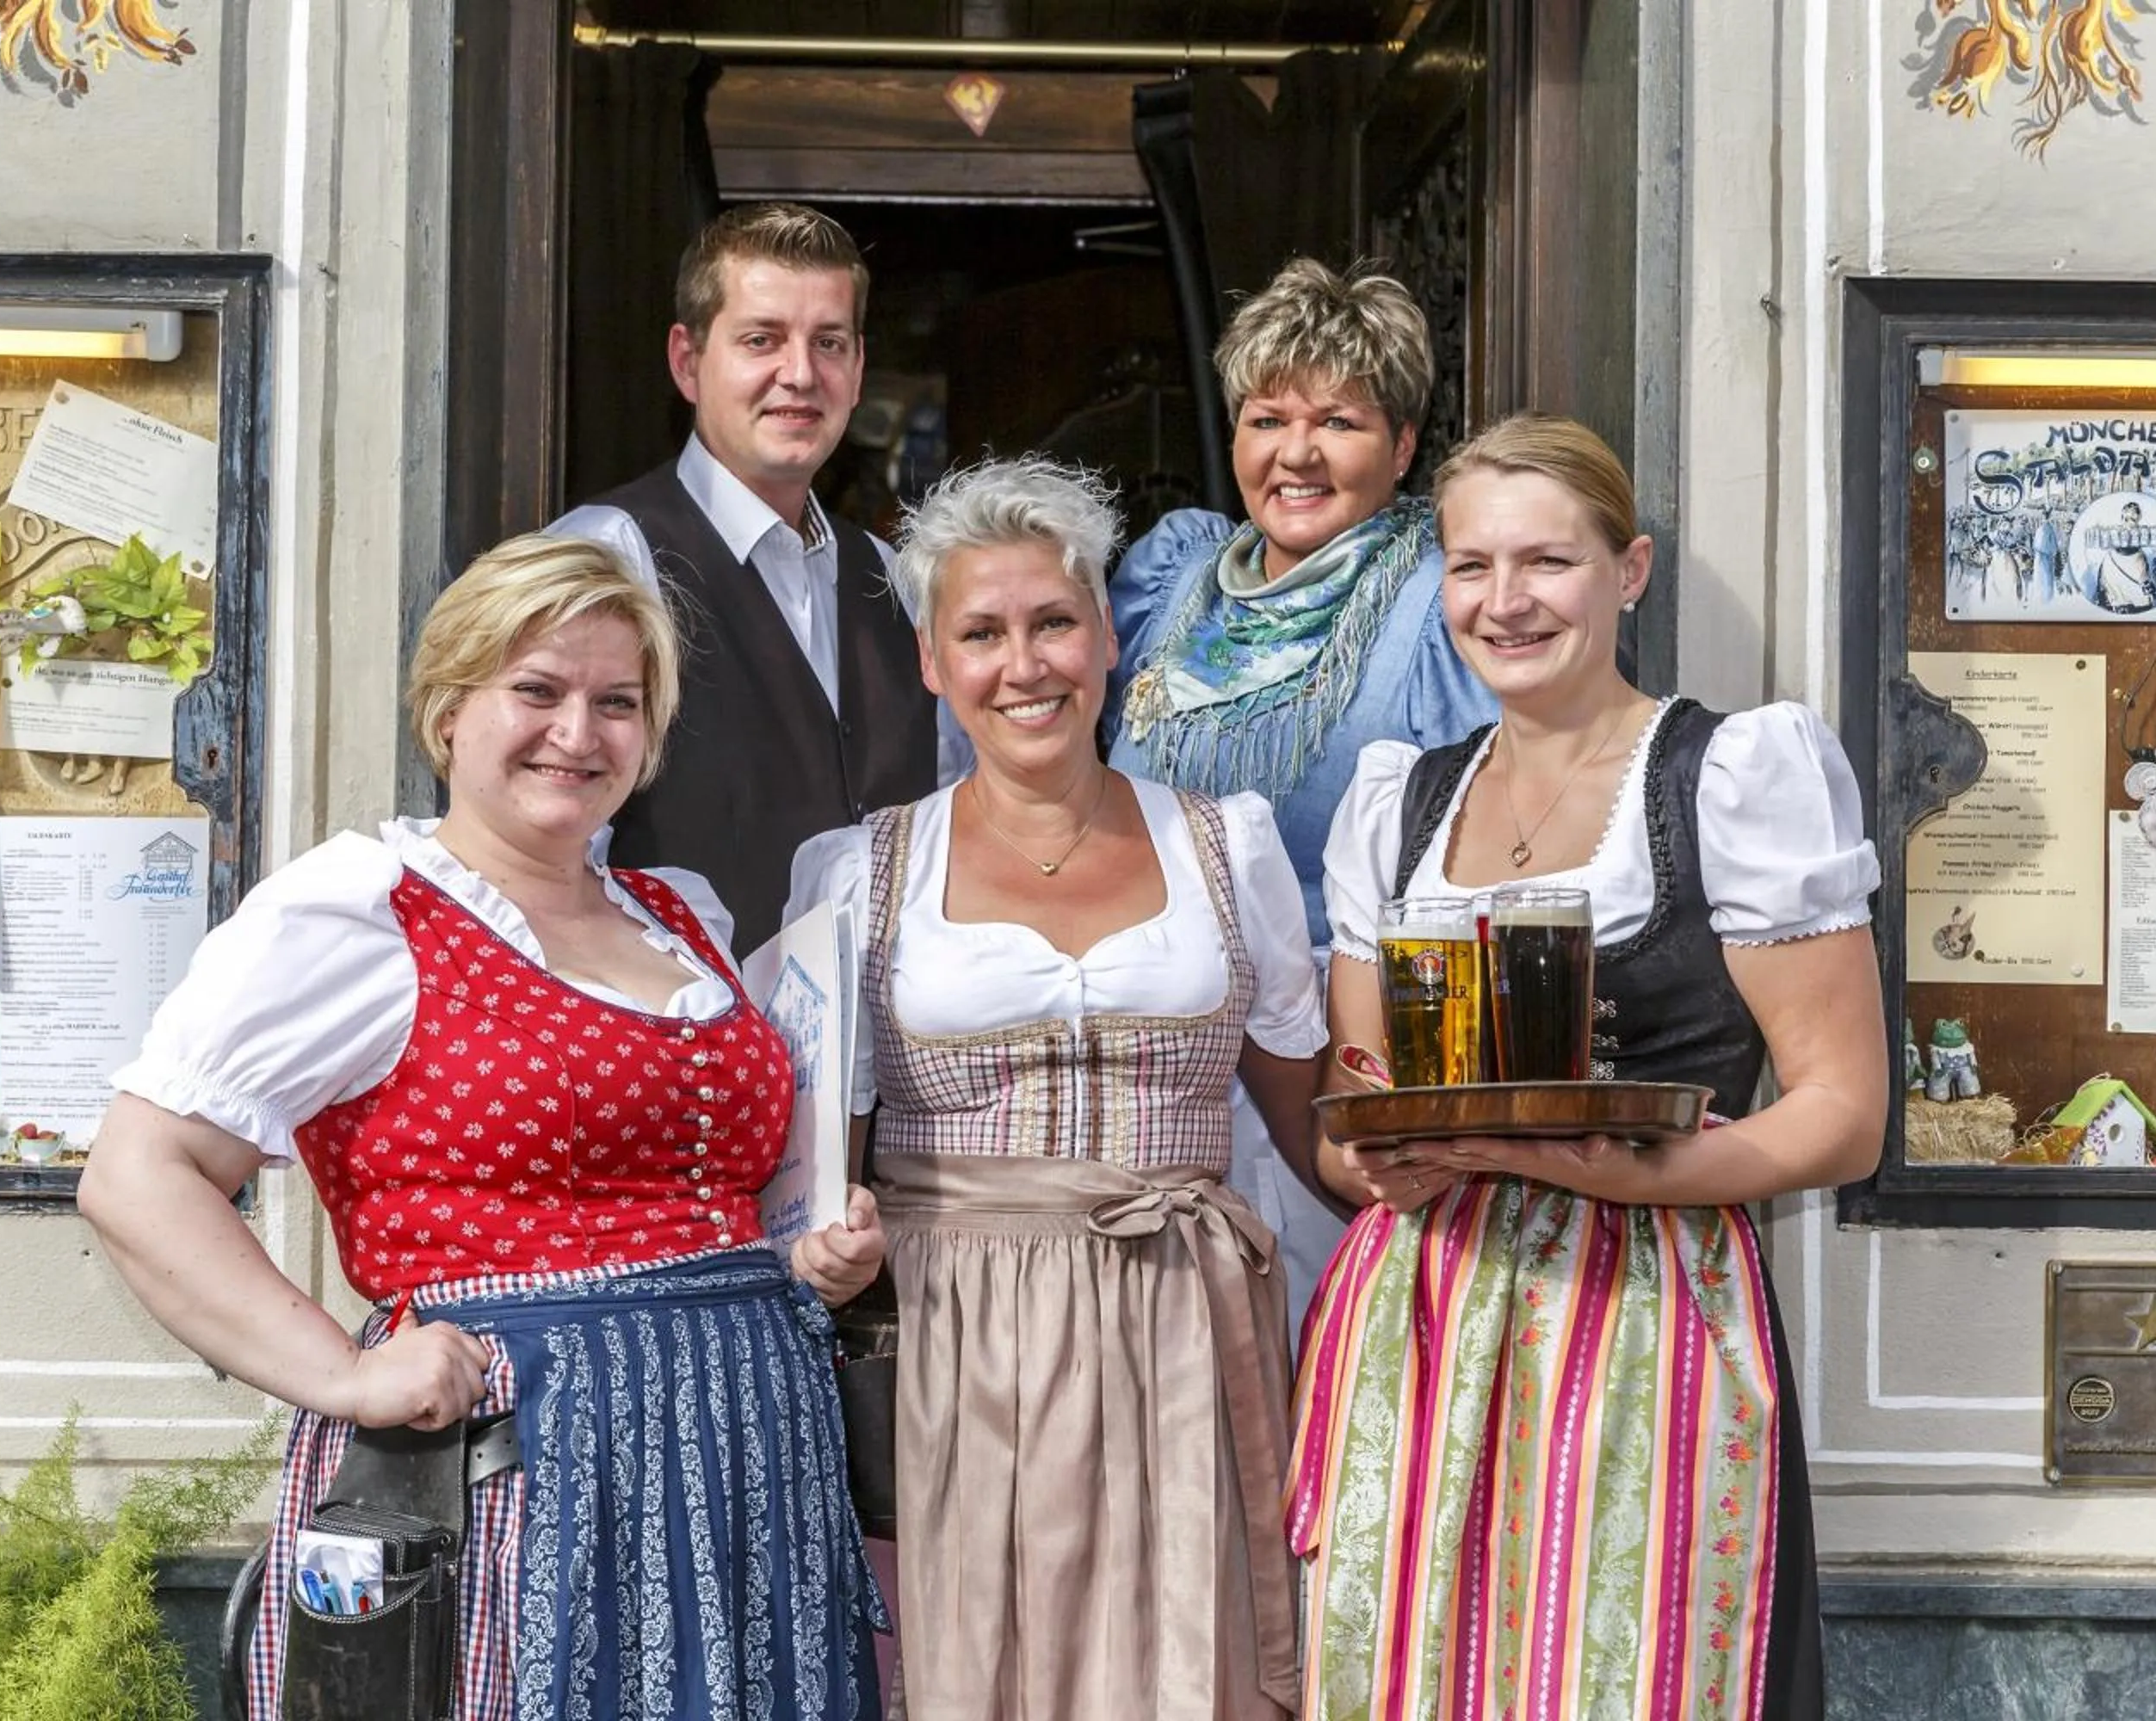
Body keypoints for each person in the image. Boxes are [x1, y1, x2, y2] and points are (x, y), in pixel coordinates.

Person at [77, 535, 890, 1720]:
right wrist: (346, 1374)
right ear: (450, 707)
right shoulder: (360, 914)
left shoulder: (680, 916)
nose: (581, 732)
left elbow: (725, 1189)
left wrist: (813, 1257)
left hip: (747, 1441)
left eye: (619, 703)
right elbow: (137, 1176)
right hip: (521, 1453)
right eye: (539, 691)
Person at [1288, 414, 1887, 1720]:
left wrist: (1626, 1174)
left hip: (1652, 1311)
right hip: (1431, 1313)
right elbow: (1353, 1116)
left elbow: (1843, 1117)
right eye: (1470, 566)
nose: (1504, 603)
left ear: (1630, 570)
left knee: (1633, 1674)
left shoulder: (1730, 776)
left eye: (1547, 563)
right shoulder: (1395, 801)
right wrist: (1378, 1163)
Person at [786, 457, 1328, 1720]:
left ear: (1107, 638)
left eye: (1053, 623)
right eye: (981, 633)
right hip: (958, 1335)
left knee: (1185, 1670)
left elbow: (1318, 1133)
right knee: (983, 1666)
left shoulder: (1225, 844)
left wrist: (1495, 1174)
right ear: (933, 661)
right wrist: (823, 1245)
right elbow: (814, 1163)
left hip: (1187, 1321)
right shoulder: (861, 876)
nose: (1024, 664)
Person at [1103, 257, 1496, 1326]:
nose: (1297, 453)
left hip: (1333, 1081)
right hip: (1149, 1076)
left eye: (1340, 421)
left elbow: (1469, 872)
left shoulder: (1438, 606)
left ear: (1405, 445)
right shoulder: (1168, 578)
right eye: (1268, 417)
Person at [548, 200, 964, 953]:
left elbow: (959, 819)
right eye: (761, 339)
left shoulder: (898, 578)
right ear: (687, 362)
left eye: (828, 342)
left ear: (859, 367)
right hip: (686, 1045)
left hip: (882, 1054)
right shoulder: (608, 560)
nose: (799, 374)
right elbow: (543, 846)